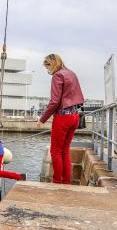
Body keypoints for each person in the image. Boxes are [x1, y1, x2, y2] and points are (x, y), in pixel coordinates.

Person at [36, 54, 84, 184]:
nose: (47, 70)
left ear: (51, 64)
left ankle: (57, 181)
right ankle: (66, 182)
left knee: (56, 151)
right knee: (65, 150)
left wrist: (42, 119)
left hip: (63, 117)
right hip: (75, 116)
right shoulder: (72, 73)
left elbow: (54, 101)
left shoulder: (57, 75)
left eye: (47, 66)